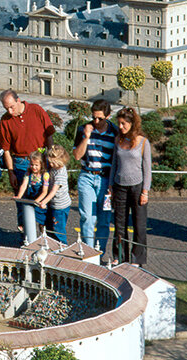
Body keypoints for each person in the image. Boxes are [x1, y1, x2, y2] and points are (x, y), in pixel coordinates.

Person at [0, 89, 56, 231]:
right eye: (6, 108)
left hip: (41, 162)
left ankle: (44, 238)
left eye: (12, 107)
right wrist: (10, 172)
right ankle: (25, 239)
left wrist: (51, 159)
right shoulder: (5, 120)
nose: (10, 112)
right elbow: (6, 150)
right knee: (22, 203)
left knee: (43, 202)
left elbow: (49, 136)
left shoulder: (36, 110)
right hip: (20, 163)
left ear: (18, 100)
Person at [110, 107, 151, 266]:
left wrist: (145, 192)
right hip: (120, 186)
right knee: (119, 224)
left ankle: (137, 259)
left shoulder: (143, 142)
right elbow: (114, 163)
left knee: (139, 224)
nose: (120, 127)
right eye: (119, 123)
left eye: (123, 124)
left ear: (132, 123)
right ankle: (119, 256)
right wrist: (110, 185)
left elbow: (147, 169)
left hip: (137, 187)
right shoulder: (118, 140)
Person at [73, 100, 117, 250]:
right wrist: (86, 137)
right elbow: (77, 156)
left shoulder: (115, 133)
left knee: (104, 220)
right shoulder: (83, 129)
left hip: (106, 180)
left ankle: (99, 253)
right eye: (94, 117)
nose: (96, 121)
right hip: (87, 177)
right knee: (88, 218)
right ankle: (88, 253)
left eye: (100, 118)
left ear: (108, 116)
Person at [37, 145, 71, 244]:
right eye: (50, 162)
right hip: (53, 204)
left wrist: (43, 202)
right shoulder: (55, 168)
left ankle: (63, 246)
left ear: (61, 160)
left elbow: (53, 191)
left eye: (53, 162)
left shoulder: (60, 174)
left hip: (60, 206)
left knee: (58, 230)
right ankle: (52, 245)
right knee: (50, 228)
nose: (51, 164)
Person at [13, 150, 49, 234]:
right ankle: (25, 234)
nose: (34, 167)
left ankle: (43, 236)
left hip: (40, 200)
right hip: (30, 198)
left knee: (42, 221)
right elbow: (24, 185)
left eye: (36, 165)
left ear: (41, 164)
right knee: (26, 216)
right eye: (32, 164)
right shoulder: (28, 173)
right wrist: (19, 196)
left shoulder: (45, 175)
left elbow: (44, 191)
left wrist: (37, 201)